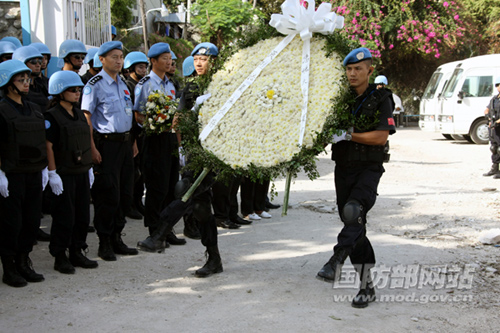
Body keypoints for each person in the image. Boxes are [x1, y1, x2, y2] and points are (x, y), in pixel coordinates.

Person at [316, 47, 396, 308]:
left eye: (358, 69)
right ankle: (367, 286)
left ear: (369, 71)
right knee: (354, 223)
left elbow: (381, 136)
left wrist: (349, 135)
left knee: (353, 212)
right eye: (349, 69)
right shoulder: (339, 99)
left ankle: (336, 259)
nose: (352, 73)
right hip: (343, 168)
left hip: (368, 169)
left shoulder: (382, 97)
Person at [137, 42, 223, 278]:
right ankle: (214, 258)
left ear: (214, 62)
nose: (198, 62)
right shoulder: (191, 86)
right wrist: (182, 143)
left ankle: (159, 234)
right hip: (195, 150)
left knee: (185, 190)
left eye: (204, 59)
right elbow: (180, 116)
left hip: (214, 153)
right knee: (201, 207)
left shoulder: (226, 85)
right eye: (196, 58)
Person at [81, 41, 138, 261]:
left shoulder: (123, 84)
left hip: (125, 144)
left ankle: (117, 237)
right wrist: (91, 147)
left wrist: (132, 140)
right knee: (108, 193)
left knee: (125, 193)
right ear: (102, 59)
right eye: (113, 56)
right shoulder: (94, 84)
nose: (118, 60)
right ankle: (104, 242)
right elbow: (87, 117)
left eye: (121, 56)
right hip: (106, 145)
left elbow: (127, 114)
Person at [0, 60, 48, 287]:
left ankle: (23, 261)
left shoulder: (34, 109)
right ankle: (9, 267)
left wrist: (47, 168)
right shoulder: (1, 110)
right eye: (22, 80)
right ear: (8, 83)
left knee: (30, 221)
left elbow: (41, 140)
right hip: (11, 175)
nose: (27, 83)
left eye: (28, 79)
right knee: (12, 223)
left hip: (34, 172)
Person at [45, 70, 98, 274]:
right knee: (64, 216)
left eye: (79, 89)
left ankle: (77, 250)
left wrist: (89, 168)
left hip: (81, 171)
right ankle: (60, 255)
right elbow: (49, 146)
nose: (77, 93)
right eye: (73, 90)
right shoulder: (52, 116)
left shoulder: (78, 113)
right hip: (64, 173)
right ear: (60, 92)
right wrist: (52, 173)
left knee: (82, 215)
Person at [133, 42, 185, 246]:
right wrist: (154, 125)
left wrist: (179, 144)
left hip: (170, 139)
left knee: (172, 186)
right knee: (157, 187)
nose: (168, 61)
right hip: (154, 139)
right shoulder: (145, 84)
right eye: (164, 57)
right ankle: (154, 230)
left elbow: (176, 116)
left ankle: (167, 228)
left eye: (169, 57)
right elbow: (138, 115)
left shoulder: (171, 84)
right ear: (153, 61)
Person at [124, 51, 149, 219]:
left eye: (145, 67)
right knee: (133, 171)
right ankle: (131, 203)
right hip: (133, 133)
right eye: (140, 67)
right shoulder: (128, 85)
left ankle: (138, 201)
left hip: (144, 132)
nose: (144, 70)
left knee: (142, 170)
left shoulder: (144, 84)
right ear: (131, 68)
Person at [12, 46, 49, 112]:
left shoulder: (42, 86)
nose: (38, 65)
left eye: (40, 61)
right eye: (33, 61)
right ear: (22, 63)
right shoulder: (17, 90)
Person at [483, 76, 500, 178]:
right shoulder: (494, 99)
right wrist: (487, 116)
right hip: (493, 127)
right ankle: (495, 168)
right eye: (497, 85)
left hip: (498, 126)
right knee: (494, 147)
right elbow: (487, 109)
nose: (498, 87)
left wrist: (497, 122)